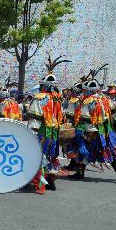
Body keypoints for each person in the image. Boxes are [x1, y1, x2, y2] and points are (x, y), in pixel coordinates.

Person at [27, 55, 70, 193]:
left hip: (43, 132)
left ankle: (41, 185)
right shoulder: (58, 99)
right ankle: (51, 181)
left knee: (39, 156)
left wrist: (31, 133)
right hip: (53, 132)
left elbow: (35, 118)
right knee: (51, 155)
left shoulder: (40, 98)